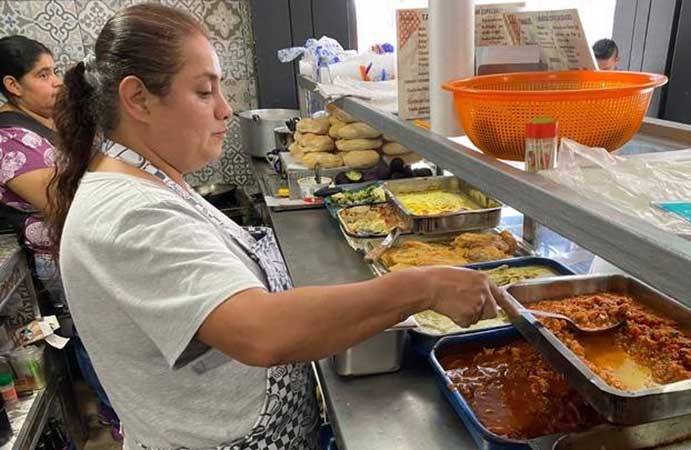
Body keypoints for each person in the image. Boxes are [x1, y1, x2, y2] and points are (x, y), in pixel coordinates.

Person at [50, 4, 510, 449]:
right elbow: (260, 331)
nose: (225, 110)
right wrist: (422, 287)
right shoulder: (129, 213)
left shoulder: (149, 182)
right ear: (137, 99)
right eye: (205, 92)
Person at [0, 35, 121, 438]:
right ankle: (116, 416)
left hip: (88, 244)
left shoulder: (44, 121)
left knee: (112, 332)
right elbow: (60, 203)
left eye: (54, 71)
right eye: (43, 74)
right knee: (94, 335)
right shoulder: (7, 139)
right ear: (12, 85)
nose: (55, 82)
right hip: (63, 252)